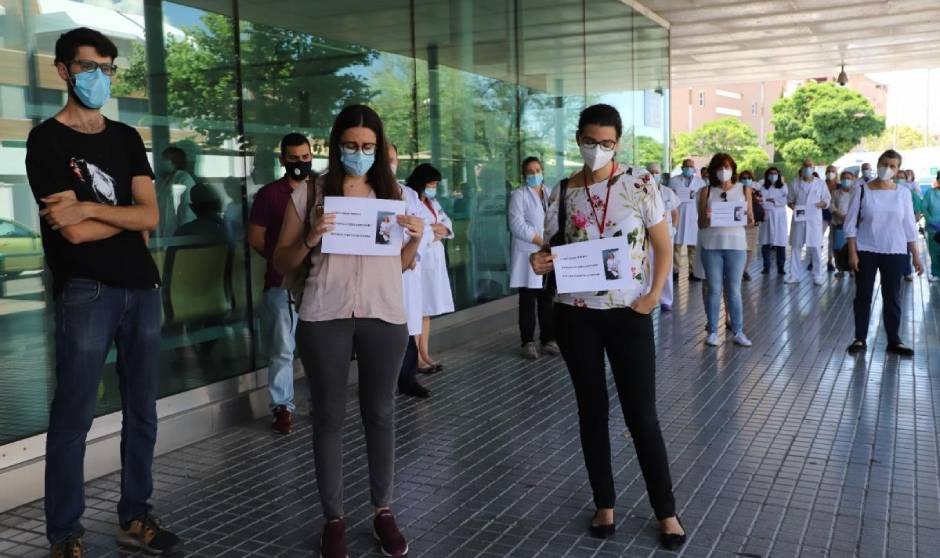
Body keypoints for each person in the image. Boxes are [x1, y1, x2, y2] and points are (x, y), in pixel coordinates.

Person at [25, 27, 182, 557]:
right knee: (73, 417)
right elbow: (71, 234)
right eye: (90, 67)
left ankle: (135, 517)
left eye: (108, 69)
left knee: (143, 410)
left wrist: (89, 206)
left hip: (142, 287)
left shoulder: (126, 138)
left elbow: (150, 216)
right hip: (87, 293)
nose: (100, 78)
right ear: (64, 70)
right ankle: (64, 535)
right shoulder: (45, 140)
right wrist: (115, 218)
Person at [529, 104, 685, 551]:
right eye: (590, 141)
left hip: (627, 314)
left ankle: (666, 511)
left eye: (607, 143)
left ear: (618, 142)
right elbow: (550, 249)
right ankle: (604, 504)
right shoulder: (561, 191)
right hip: (576, 314)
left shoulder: (639, 182)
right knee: (591, 413)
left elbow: (662, 243)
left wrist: (653, 295)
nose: (597, 149)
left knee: (642, 416)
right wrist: (538, 262)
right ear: (578, 139)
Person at [273, 104, 423, 558]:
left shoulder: (397, 194)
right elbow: (281, 262)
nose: (359, 153)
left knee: (381, 414)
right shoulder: (312, 193)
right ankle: (333, 517)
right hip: (325, 315)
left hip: (383, 315)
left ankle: (383, 510)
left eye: (368, 147)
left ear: (379, 148)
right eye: (351, 145)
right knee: (329, 418)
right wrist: (311, 237)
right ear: (336, 145)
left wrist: (415, 239)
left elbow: (397, 265)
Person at [247, 133, 313, 434]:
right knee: (282, 349)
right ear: (282, 159)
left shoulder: (321, 192)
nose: (300, 163)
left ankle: (320, 403)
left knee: (319, 348)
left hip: (317, 283)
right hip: (280, 284)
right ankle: (282, 407)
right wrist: (282, 260)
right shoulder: (270, 195)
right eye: (293, 158)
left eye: (305, 157)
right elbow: (256, 237)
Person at [845, 149, 923, 356]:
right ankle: (860, 338)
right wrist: (853, 253)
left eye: (892, 166)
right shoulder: (861, 190)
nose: (887, 168)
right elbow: (850, 224)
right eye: (884, 163)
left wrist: (916, 255)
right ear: (878, 163)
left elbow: (909, 226)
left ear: (898, 170)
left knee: (893, 296)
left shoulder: (903, 193)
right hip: (866, 248)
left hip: (894, 250)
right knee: (863, 295)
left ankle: (894, 340)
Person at [389, 143, 434, 398]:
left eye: (393, 159)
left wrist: (413, 253)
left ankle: (407, 379)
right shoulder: (366, 195)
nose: (389, 163)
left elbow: (424, 228)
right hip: (379, 274)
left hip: (407, 270)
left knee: (407, 328)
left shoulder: (408, 194)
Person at [697, 153, 753, 348]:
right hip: (711, 246)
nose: (724, 171)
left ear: (733, 169)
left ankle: (738, 330)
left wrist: (745, 216)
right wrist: (707, 216)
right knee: (713, 289)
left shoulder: (743, 189)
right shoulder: (705, 192)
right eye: (720, 167)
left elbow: (751, 221)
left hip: (736, 246)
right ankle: (712, 331)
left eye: (727, 167)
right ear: (713, 171)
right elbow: (701, 224)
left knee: (734, 290)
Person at [509, 156, 558, 359]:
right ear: (524, 175)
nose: (535, 174)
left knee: (547, 298)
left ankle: (547, 340)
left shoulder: (549, 193)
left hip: (548, 252)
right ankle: (527, 342)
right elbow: (516, 224)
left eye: (538, 170)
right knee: (528, 300)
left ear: (543, 171)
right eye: (530, 172)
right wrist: (540, 241)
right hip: (529, 252)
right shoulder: (518, 195)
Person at [411, 163, 455, 372]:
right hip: (419, 261)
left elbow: (446, 223)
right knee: (417, 309)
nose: (434, 188)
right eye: (431, 184)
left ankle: (425, 353)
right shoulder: (410, 200)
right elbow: (418, 229)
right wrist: (434, 232)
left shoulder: (432, 202)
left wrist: (438, 230)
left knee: (426, 311)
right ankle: (416, 358)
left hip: (434, 260)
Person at [785, 159, 831, 285]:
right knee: (796, 247)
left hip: (814, 219)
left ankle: (817, 275)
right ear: (802, 167)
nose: (807, 168)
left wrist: (821, 204)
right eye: (805, 166)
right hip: (799, 219)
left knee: (815, 247)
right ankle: (794, 275)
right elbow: (789, 200)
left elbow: (827, 199)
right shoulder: (794, 183)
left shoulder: (820, 183)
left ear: (814, 168)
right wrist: (794, 207)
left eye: (810, 166)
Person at [645, 167, 679, 311]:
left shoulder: (667, 192)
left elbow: (675, 213)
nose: (654, 175)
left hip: (666, 234)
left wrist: (674, 229)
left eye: (656, 172)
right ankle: (648, 296)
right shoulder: (642, 190)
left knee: (666, 266)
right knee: (648, 266)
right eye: (651, 172)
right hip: (648, 236)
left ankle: (666, 300)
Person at [667, 158, 705, 281]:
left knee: (693, 247)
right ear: (682, 167)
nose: (688, 168)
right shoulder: (673, 181)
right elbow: (669, 199)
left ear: (694, 169)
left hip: (694, 217)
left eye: (691, 166)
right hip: (678, 215)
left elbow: (703, 202)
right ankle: (675, 271)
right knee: (676, 246)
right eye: (686, 166)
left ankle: (693, 271)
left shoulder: (700, 183)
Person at [155, 145, 197, 238]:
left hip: (178, 234)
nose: (162, 162)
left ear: (174, 161)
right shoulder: (163, 182)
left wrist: (184, 234)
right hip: (161, 233)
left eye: (165, 159)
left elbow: (187, 210)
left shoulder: (184, 179)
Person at [758, 167, 788, 275]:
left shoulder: (783, 186)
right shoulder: (762, 187)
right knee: (765, 243)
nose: (773, 175)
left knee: (781, 243)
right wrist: (774, 200)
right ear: (767, 175)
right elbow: (762, 202)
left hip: (780, 217)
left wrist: (771, 200)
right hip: (767, 215)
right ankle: (766, 267)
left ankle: (781, 267)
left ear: (778, 175)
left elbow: (785, 200)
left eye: (775, 173)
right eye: (771, 173)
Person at [830, 171, 855, 278]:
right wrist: (839, 215)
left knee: (851, 248)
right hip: (838, 224)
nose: (846, 180)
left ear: (853, 179)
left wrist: (850, 217)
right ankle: (840, 269)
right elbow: (831, 206)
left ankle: (852, 269)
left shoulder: (856, 193)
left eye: (848, 178)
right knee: (838, 248)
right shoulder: (835, 193)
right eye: (844, 178)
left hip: (853, 225)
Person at [739, 170, 758, 281]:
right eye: (744, 177)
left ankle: (745, 270)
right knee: (740, 248)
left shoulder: (756, 192)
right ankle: (739, 271)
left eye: (748, 177)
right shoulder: (736, 191)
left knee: (750, 248)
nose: (746, 180)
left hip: (753, 224)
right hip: (740, 224)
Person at [922, 171, 940, 282]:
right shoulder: (930, 193)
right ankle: (936, 273)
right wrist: (931, 220)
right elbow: (924, 208)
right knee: (935, 252)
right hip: (933, 228)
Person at [824, 165, 839, 272]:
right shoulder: (821, 184)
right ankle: (811, 261)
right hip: (822, 215)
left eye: (833, 171)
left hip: (836, 216)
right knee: (815, 238)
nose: (830, 173)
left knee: (832, 240)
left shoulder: (840, 186)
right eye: (828, 171)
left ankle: (830, 261)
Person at [222, 176, 245, 242]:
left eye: (230, 187)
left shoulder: (248, 205)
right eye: (226, 188)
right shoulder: (229, 206)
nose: (228, 190)